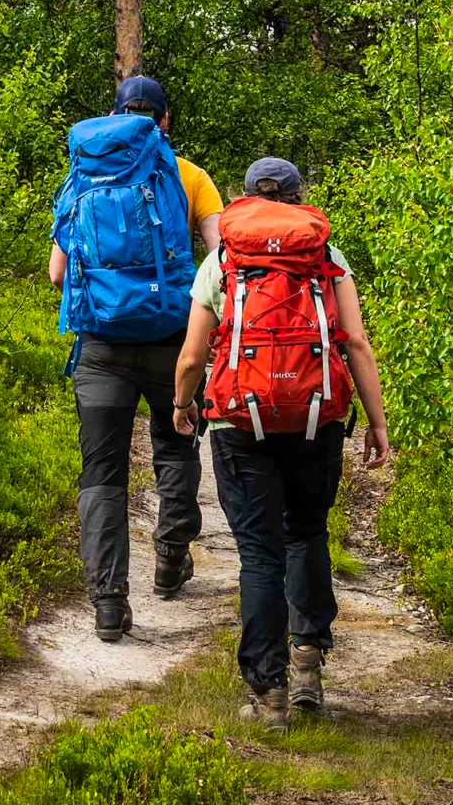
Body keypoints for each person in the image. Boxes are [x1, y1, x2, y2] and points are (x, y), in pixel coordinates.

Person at [172, 157, 393, 729]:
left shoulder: (223, 259)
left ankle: (268, 693)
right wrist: (377, 422)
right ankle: (308, 662)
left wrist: (181, 403)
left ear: (245, 197)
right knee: (307, 533)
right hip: (316, 418)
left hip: (239, 424)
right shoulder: (326, 257)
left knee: (259, 555)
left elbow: (193, 355)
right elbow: (356, 343)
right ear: (299, 197)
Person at [50, 76, 227, 642]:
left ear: (115, 116)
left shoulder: (83, 175)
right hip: (172, 339)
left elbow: (56, 272)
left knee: (102, 471)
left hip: (101, 347)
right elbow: (221, 261)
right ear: (165, 121)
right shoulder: (189, 176)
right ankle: (171, 556)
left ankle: (108, 602)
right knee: (175, 444)